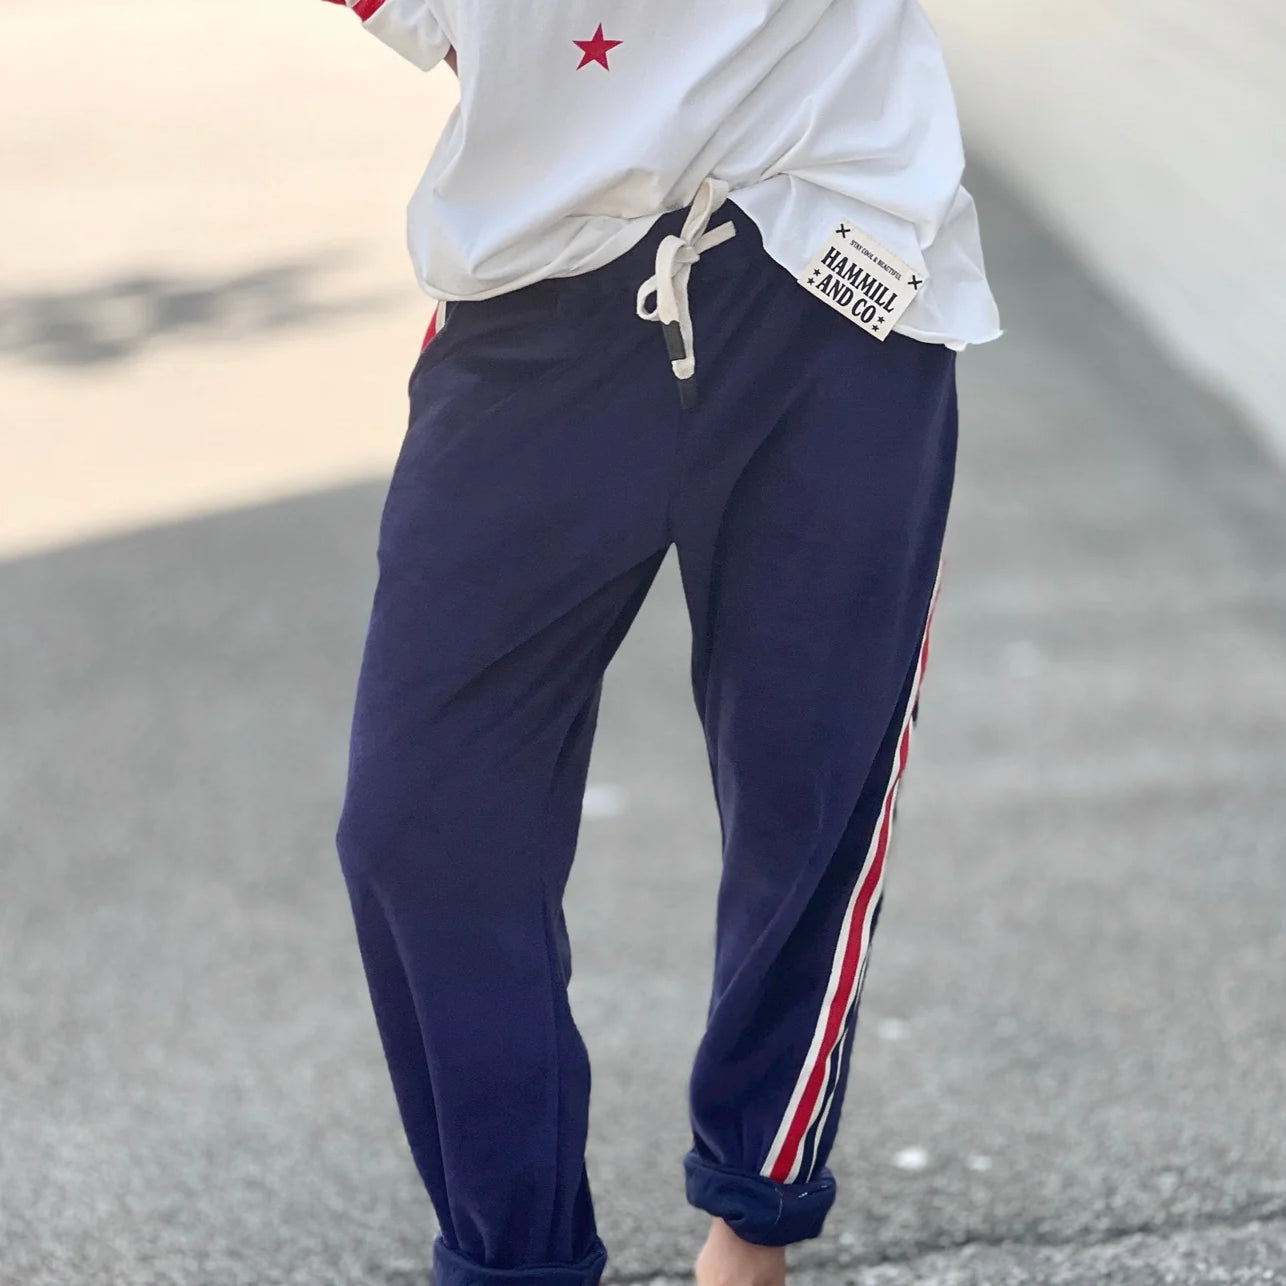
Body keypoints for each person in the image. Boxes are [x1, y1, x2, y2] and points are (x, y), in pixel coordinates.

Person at [324, 3, 1000, 1286]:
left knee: (809, 787)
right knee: (417, 818)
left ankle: (750, 1228)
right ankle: (513, 1256)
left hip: (827, 279)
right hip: (536, 304)